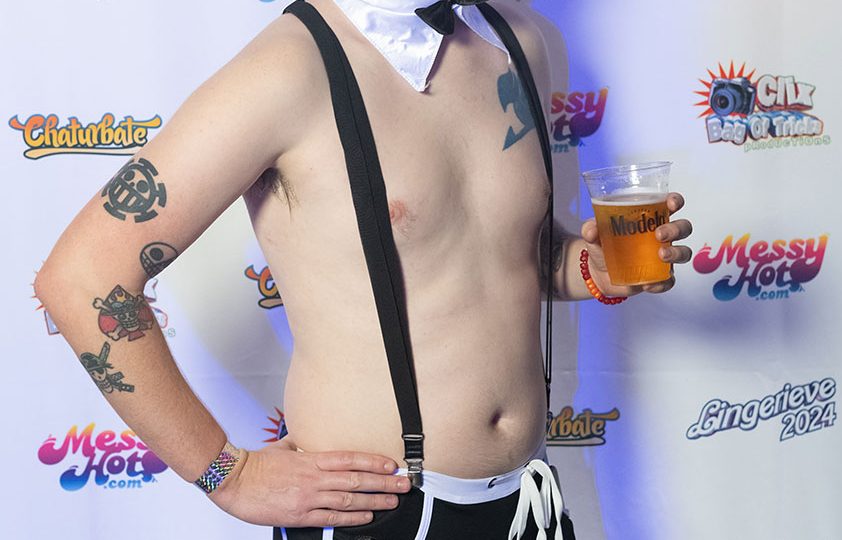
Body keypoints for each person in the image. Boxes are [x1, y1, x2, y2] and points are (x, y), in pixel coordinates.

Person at [33, 0, 693, 538]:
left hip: (530, 502)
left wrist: (590, 268)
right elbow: (83, 278)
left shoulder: (517, 38)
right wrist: (224, 474)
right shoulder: (288, 68)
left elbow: (495, 252)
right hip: (377, 515)